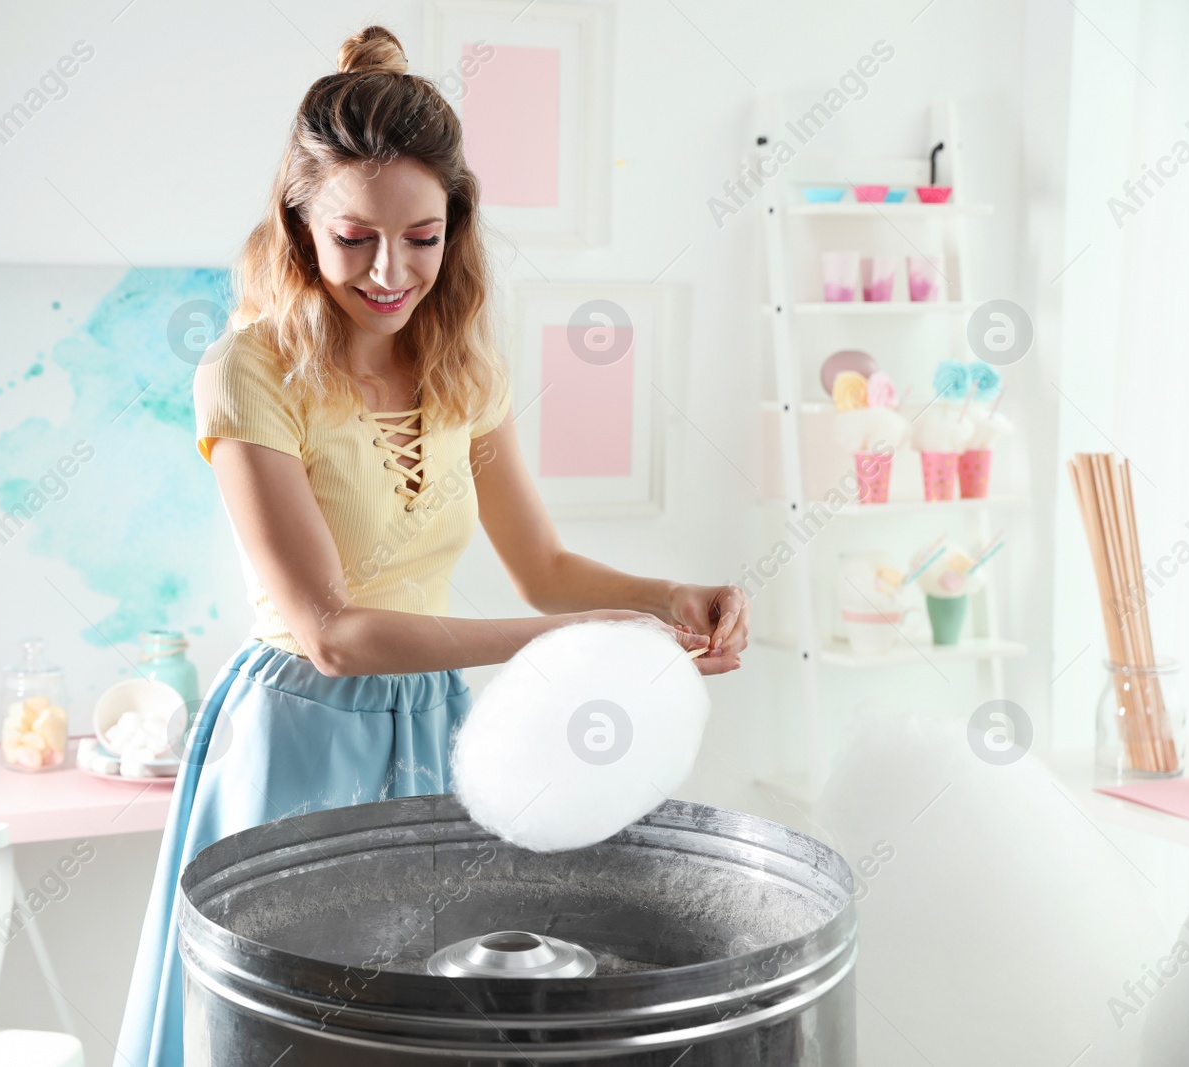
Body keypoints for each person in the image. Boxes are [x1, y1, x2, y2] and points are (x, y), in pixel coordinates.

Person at [114, 25, 749, 1065]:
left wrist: (668, 597)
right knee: (291, 1030)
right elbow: (330, 633)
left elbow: (544, 567)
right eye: (355, 235)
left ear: (456, 224)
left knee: (421, 1025)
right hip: (297, 732)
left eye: (422, 234)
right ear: (296, 223)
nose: (390, 269)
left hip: (438, 721)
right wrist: (576, 635)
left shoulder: (463, 369)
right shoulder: (249, 372)